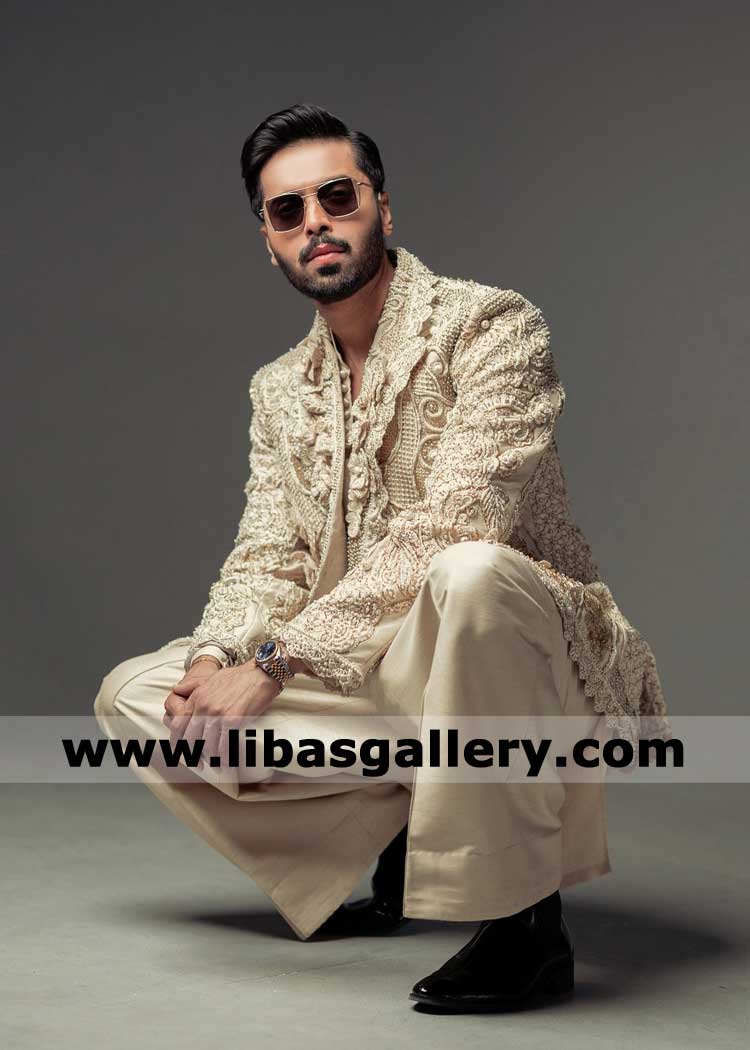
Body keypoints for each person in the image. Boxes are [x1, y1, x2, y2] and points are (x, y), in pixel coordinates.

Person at [94, 102, 669, 1012]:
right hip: (368, 671)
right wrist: (216, 657)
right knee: (138, 695)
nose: (315, 223)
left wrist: (273, 663)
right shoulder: (278, 390)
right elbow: (268, 554)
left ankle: (525, 923)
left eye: (338, 196)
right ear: (269, 242)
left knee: (469, 573)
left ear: (382, 208)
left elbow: (458, 525)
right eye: (288, 211)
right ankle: (390, 843)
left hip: (515, 660)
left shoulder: (490, 325)